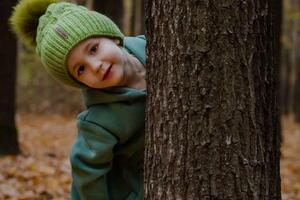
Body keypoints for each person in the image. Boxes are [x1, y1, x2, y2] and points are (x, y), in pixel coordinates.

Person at [10, 0, 146, 199]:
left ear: (113, 37)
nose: (95, 66)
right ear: (79, 82)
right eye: (80, 69)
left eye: (94, 49)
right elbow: (86, 172)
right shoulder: (100, 121)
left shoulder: (151, 47)